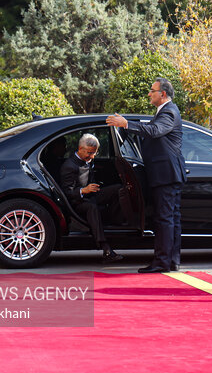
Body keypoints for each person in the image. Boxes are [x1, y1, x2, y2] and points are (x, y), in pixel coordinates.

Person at [106, 78, 186, 273]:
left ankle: (162, 262)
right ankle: (171, 260)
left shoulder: (168, 112)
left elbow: (155, 131)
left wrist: (126, 124)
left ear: (163, 94)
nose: (149, 94)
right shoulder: (165, 111)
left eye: (152, 91)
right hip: (168, 174)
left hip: (165, 174)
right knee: (171, 219)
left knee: (165, 219)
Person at [59, 133, 124, 264]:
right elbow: (66, 193)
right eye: (89, 153)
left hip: (91, 194)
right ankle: (105, 248)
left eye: (95, 153)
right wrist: (84, 190)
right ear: (80, 149)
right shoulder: (69, 166)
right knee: (92, 207)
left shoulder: (89, 160)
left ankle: (116, 219)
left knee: (119, 188)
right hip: (77, 201)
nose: (92, 156)